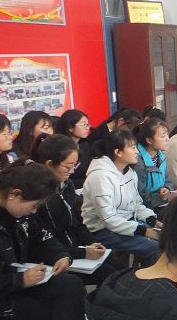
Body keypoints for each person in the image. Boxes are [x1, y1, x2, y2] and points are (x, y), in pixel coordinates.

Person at [0, 160, 85, 320]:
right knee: (66, 313)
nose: (34, 211)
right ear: (15, 194)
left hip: (11, 282)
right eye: (33, 206)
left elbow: (42, 237)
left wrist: (61, 255)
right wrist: (19, 280)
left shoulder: (18, 209)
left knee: (71, 285)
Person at [31, 134, 120, 286]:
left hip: (76, 249)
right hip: (56, 258)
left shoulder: (67, 186)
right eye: (68, 166)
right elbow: (44, 239)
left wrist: (92, 243)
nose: (72, 171)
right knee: (110, 276)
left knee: (120, 270)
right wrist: (82, 252)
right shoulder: (37, 195)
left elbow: (77, 223)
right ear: (49, 164)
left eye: (75, 165)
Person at [82, 130, 161, 265]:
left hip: (127, 222)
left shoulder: (129, 172)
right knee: (154, 247)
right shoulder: (100, 176)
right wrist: (145, 231)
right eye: (132, 147)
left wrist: (153, 221)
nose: (137, 151)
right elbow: (109, 219)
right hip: (102, 230)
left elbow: (136, 204)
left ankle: (146, 273)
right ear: (118, 152)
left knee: (165, 239)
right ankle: (146, 277)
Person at [133, 118, 177, 213]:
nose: (168, 139)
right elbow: (141, 195)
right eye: (163, 136)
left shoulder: (161, 156)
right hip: (146, 209)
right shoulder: (137, 161)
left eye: (167, 134)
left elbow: (168, 181)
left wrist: (166, 189)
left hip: (161, 203)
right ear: (149, 140)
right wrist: (164, 198)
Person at [58, 109, 91, 188]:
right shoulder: (61, 148)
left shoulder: (84, 145)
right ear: (70, 127)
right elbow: (63, 179)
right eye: (84, 125)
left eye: (88, 124)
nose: (87, 128)